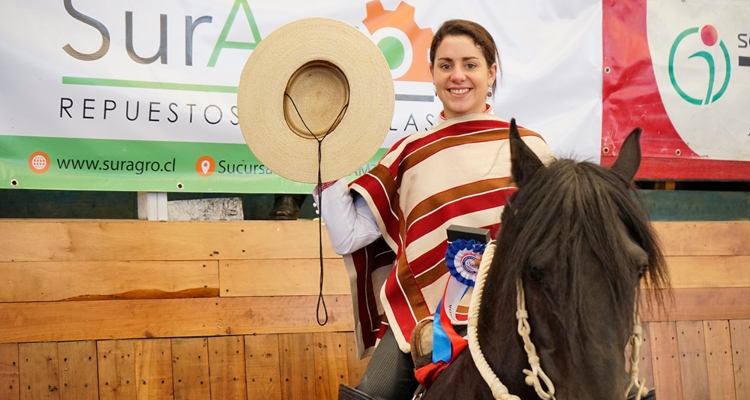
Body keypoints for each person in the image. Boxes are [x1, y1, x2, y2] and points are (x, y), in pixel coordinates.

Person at [316, 19, 556, 400]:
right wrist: (323, 159)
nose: (457, 76)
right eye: (445, 65)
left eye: (470, 64)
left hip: (518, 312)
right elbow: (348, 234)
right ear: (431, 74)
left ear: (491, 73)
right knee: (372, 393)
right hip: (423, 317)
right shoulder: (410, 153)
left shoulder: (530, 148)